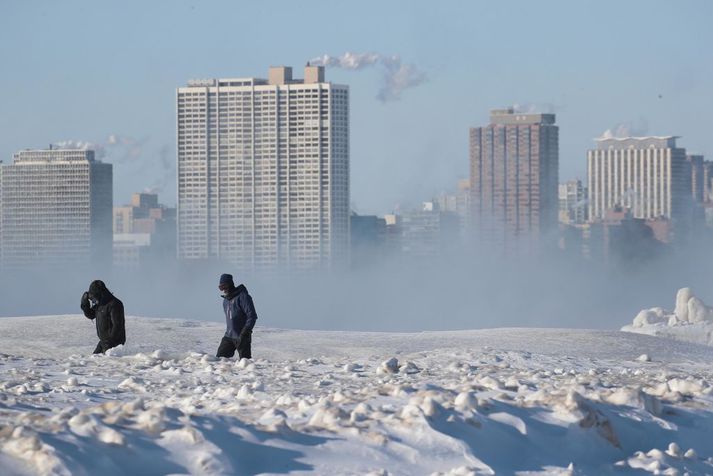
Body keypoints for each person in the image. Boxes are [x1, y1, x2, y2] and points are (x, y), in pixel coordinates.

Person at [216, 273, 258, 359]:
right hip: (228, 336)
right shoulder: (225, 301)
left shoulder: (243, 297)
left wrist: (245, 332)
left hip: (242, 336)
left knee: (245, 363)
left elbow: (252, 316)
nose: (223, 290)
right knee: (218, 361)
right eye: (220, 288)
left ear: (230, 284)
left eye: (224, 286)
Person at [80, 280, 126, 354]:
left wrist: (109, 342)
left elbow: (117, 325)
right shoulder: (100, 305)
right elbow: (91, 315)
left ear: (100, 294)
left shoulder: (114, 304)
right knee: (92, 361)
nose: (94, 300)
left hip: (114, 343)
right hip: (104, 342)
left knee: (104, 363)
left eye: (95, 297)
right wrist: (85, 304)